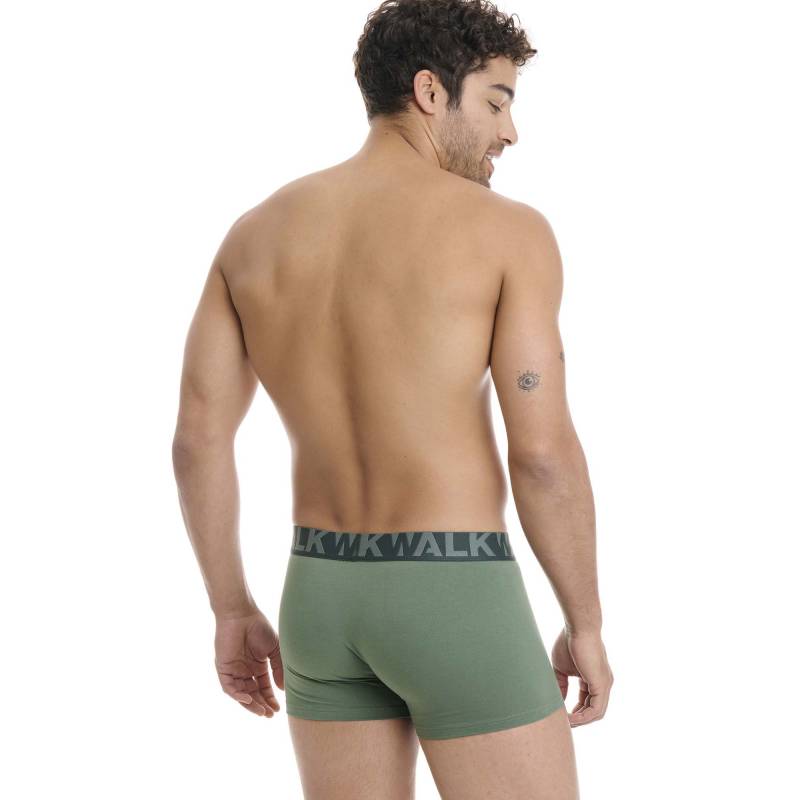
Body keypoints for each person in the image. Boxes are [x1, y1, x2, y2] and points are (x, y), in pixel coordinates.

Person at [171, 0, 613, 797]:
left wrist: (230, 608)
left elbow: (198, 440)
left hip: (319, 594)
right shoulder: (507, 232)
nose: (511, 132)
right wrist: (585, 621)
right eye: (497, 103)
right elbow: (543, 454)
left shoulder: (254, 234)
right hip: (454, 592)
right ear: (430, 92)